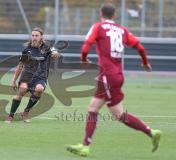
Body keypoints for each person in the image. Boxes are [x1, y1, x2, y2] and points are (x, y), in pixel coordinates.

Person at [66, 3, 161, 157]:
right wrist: (144, 62)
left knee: (119, 115)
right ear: (114, 15)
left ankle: (151, 132)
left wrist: (84, 60)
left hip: (107, 76)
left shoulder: (98, 27)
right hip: (116, 75)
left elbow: (85, 47)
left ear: (100, 13)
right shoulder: (122, 30)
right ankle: (85, 145)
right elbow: (141, 48)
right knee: (93, 108)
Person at [5, 27, 60, 123]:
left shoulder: (47, 47)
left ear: (41, 37)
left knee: (39, 89)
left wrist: (55, 53)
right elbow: (20, 66)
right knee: (22, 90)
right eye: (33, 35)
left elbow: (54, 51)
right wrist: (13, 80)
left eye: (37, 35)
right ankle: (11, 115)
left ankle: (25, 112)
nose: (34, 37)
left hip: (41, 76)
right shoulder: (27, 50)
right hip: (27, 75)